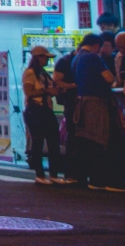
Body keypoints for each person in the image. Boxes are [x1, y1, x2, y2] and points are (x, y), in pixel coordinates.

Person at [71, 32, 122, 191]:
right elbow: (109, 79)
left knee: (87, 140)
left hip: (82, 102)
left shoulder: (76, 58)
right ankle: (97, 179)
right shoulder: (92, 57)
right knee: (99, 139)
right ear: (96, 45)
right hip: (96, 103)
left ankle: (82, 176)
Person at [22, 45, 62, 185]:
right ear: (37, 57)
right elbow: (29, 92)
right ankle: (40, 174)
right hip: (36, 111)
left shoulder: (43, 73)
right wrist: (47, 91)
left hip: (47, 110)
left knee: (54, 142)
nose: (47, 60)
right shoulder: (30, 73)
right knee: (38, 142)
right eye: (45, 57)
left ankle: (53, 174)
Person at [52, 47, 80, 183]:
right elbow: (57, 81)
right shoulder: (65, 61)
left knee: (74, 137)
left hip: (71, 105)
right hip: (71, 105)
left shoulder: (66, 61)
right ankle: (71, 173)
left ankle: (72, 173)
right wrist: (75, 85)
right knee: (73, 137)